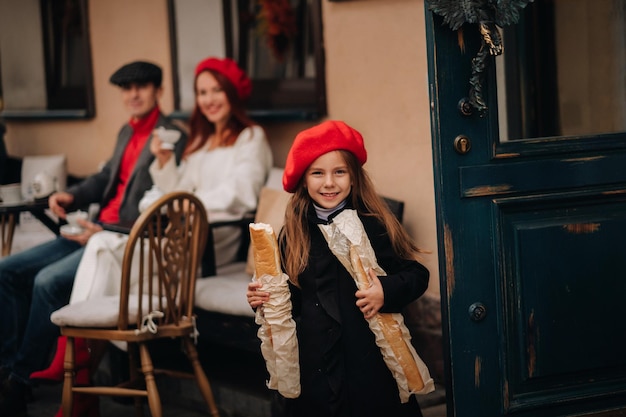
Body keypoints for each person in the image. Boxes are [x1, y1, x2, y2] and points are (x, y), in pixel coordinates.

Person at [0, 60, 187, 417]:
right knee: (7, 271)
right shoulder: (125, 132)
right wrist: (72, 195)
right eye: (127, 89)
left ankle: (19, 382)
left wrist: (106, 230)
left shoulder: (171, 136)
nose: (133, 94)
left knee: (47, 282)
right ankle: (9, 370)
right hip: (90, 230)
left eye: (142, 87)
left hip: (119, 242)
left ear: (159, 91)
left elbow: (161, 206)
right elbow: (104, 179)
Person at [247, 120, 430, 417]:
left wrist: (385, 291)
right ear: (304, 180)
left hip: (368, 364)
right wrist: (261, 299)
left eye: (339, 172)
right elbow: (288, 300)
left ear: (354, 177)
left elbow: (417, 275)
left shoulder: (374, 224)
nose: (329, 183)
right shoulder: (293, 233)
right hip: (315, 365)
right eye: (318, 173)